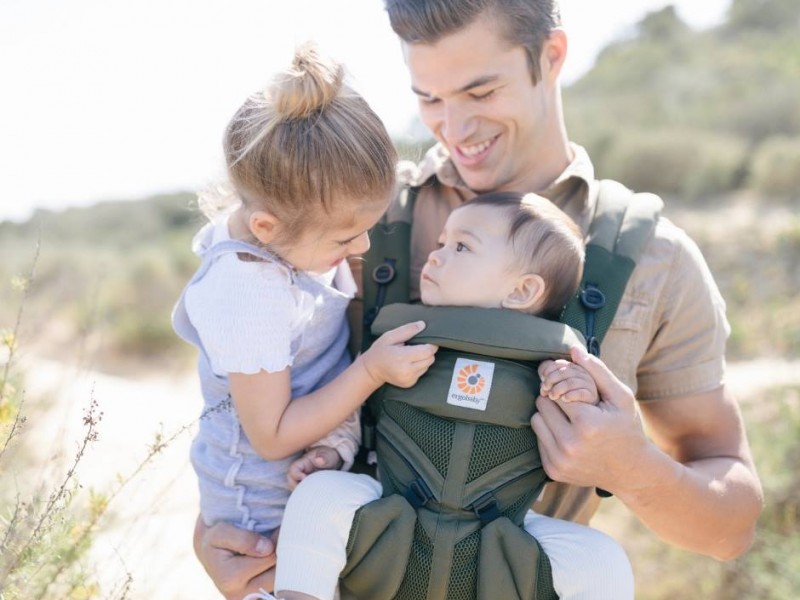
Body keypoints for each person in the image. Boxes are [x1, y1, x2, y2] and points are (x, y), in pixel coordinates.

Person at [195, 1, 764, 597]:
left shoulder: (654, 261)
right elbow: (244, 407)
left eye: (481, 92)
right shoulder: (355, 223)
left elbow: (730, 529)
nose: (456, 129)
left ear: (552, 56)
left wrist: (632, 467)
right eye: (431, 99)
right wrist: (221, 538)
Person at [251, 192, 634, 600]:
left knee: (603, 558)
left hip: (502, 541)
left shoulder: (555, 363)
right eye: (440, 244)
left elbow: (580, 443)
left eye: (461, 246)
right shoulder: (401, 337)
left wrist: (578, 395)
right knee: (319, 494)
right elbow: (359, 410)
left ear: (522, 291)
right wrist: (334, 450)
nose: (435, 257)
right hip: (393, 523)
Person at [172, 41, 438, 588]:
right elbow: (271, 437)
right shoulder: (248, 288)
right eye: (345, 238)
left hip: (305, 485)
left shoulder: (288, 225)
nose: (363, 246)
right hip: (262, 515)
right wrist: (370, 371)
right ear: (267, 228)